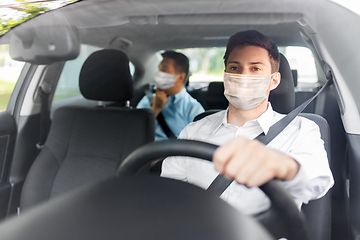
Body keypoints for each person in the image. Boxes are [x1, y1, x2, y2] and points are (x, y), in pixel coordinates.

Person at [161, 30, 334, 215]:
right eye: (235, 68)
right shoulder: (192, 132)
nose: (244, 77)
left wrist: (282, 165)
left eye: (255, 68)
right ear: (225, 75)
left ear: (273, 80)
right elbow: (169, 195)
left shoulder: (301, 130)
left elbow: (318, 180)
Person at [137, 51, 204, 141]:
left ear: (180, 77)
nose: (158, 74)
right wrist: (155, 109)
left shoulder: (193, 108)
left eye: (164, 70)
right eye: (159, 69)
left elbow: (198, 145)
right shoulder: (147, 100)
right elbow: (133, 133)